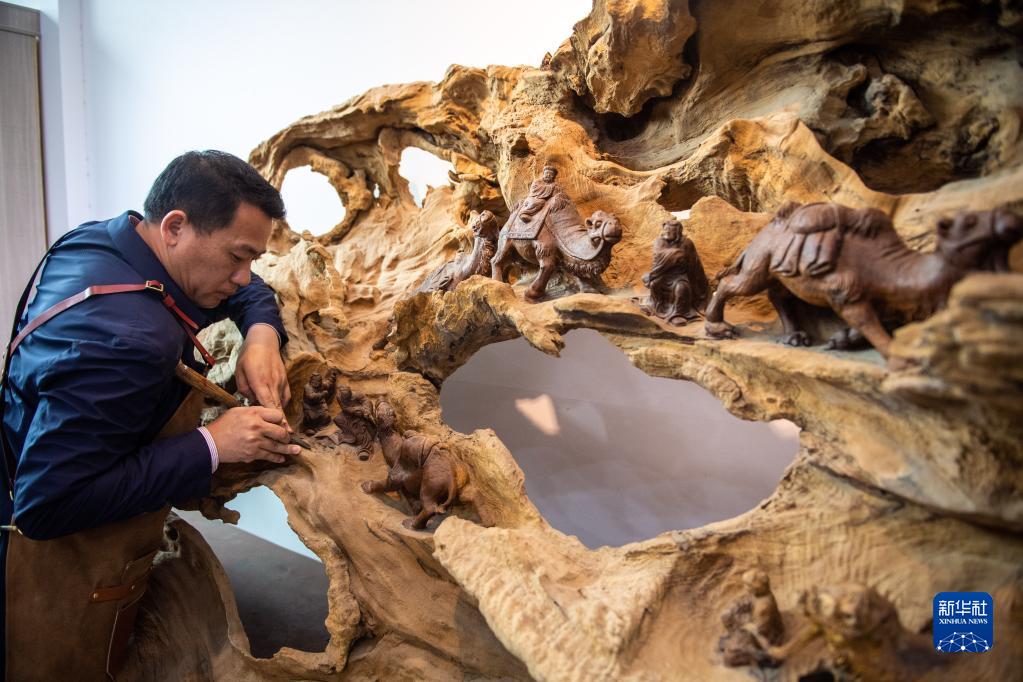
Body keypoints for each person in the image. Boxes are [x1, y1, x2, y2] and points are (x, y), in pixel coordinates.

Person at [0, 150, 296, 678]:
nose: (244, 276)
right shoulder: (127, 340)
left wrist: (261, 336)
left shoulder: (106, 241)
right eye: (237, 256)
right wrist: (213, 444)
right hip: (44, 564)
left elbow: (245, 289)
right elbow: (47, 505)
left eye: (253, 259)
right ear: (176, 226)